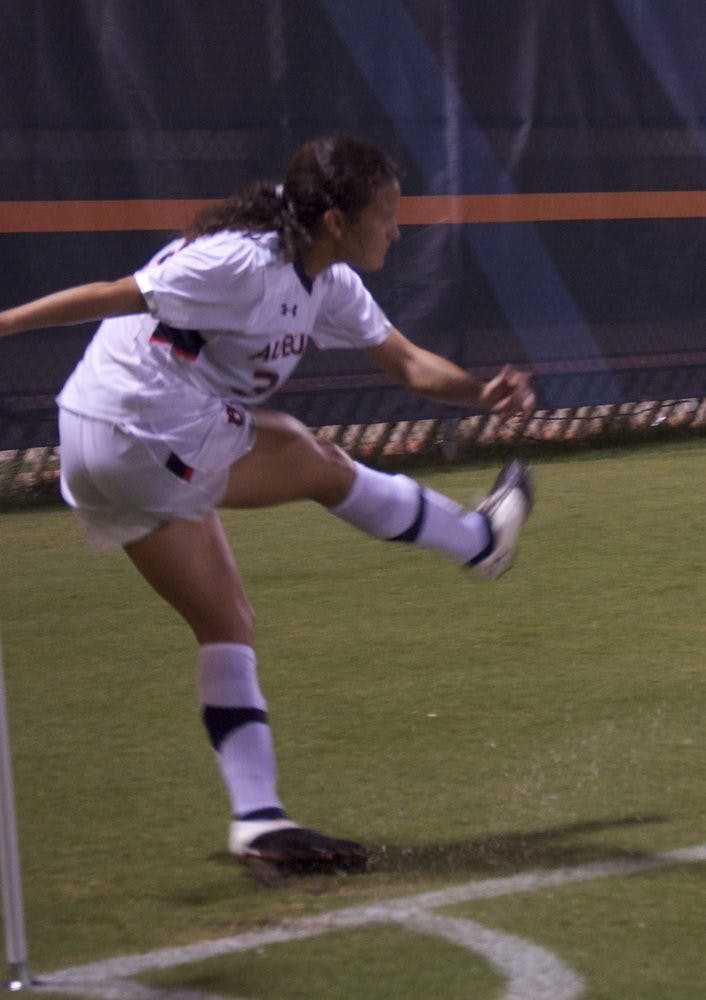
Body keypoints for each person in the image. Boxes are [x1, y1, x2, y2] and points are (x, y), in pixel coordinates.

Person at [0, 135, 534, 873]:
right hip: (140, 426)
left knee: (227, 622)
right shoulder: (245, 262)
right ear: (337, 222)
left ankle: (258, 819)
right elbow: (112, 295)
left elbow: (409, 363)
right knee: (311, 459)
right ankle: (478, 541)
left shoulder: (328, 282)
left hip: (99, 447)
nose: (397, 229)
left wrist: (479, 393)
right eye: (385, 214)